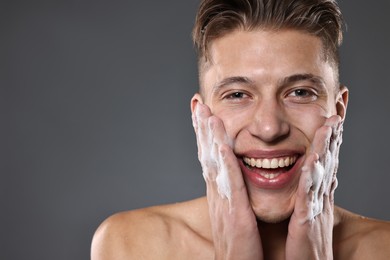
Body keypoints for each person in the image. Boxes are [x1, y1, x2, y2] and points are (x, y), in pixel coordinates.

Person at [91, 0, 390, 259]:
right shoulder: (131, 246)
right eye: (237, 95)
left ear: (338, 111)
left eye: (300, 92)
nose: (270, 128)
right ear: (200, 118)